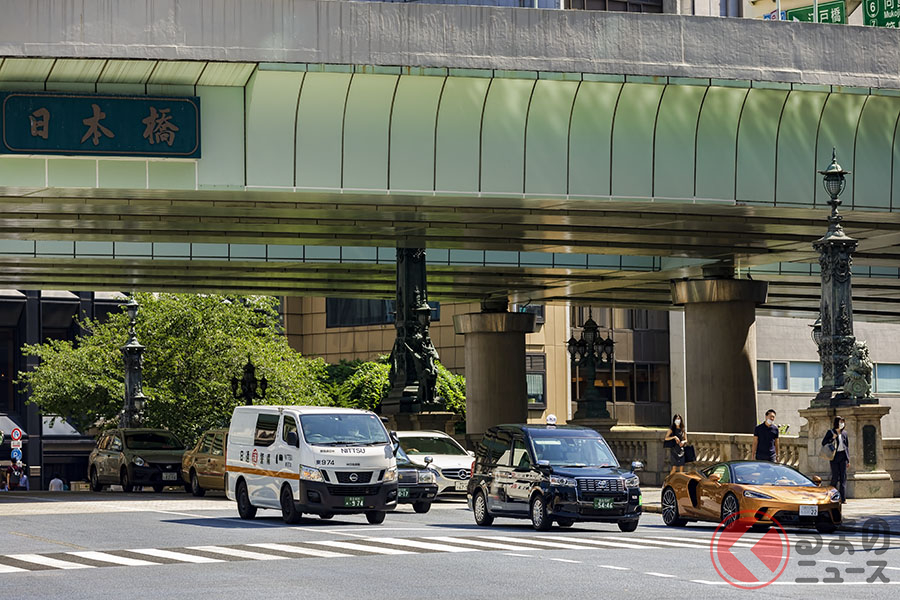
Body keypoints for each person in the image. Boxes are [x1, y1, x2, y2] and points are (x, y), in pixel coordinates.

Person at [823, 416, 849, 504]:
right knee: (835, 477)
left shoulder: (844, 433)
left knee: (843, 477)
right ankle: (832, 496)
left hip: (843, 456)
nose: (842, 424)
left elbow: (846, 447)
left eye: (843, 422)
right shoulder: (831, 432)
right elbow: (824, 442)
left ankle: (843, 498)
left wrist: (848, 460)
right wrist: (833, 438)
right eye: (840, 422)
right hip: (834, 456)